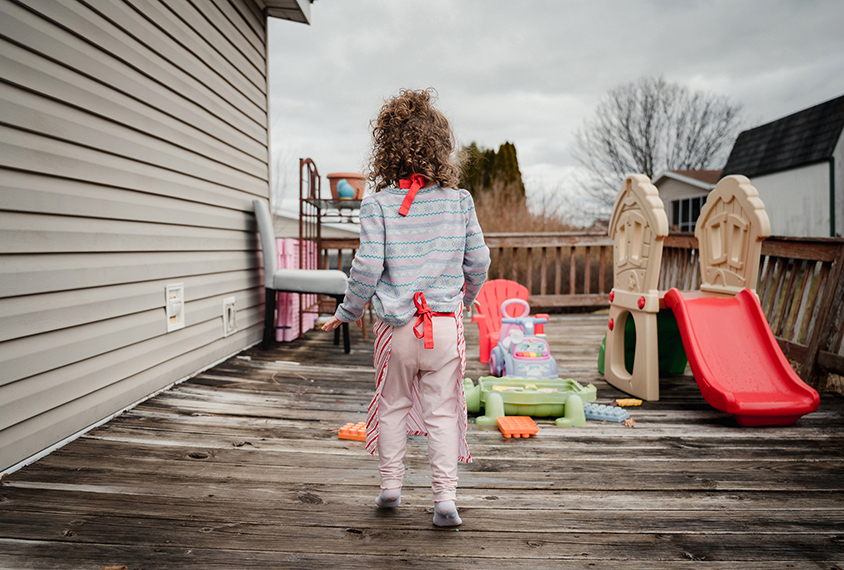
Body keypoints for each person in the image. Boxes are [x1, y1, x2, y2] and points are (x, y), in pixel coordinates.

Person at [322, 88, 490, 527]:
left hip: (396, 330)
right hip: (444, 327)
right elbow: (480, 262)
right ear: (441, 150)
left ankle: (391, 487)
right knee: (443, 411)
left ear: (387, 151)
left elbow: (366, 268)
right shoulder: (460, 202)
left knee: (392, 404)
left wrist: (348, 311)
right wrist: (464, 300)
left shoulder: (377, 204)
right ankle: (445, 500)